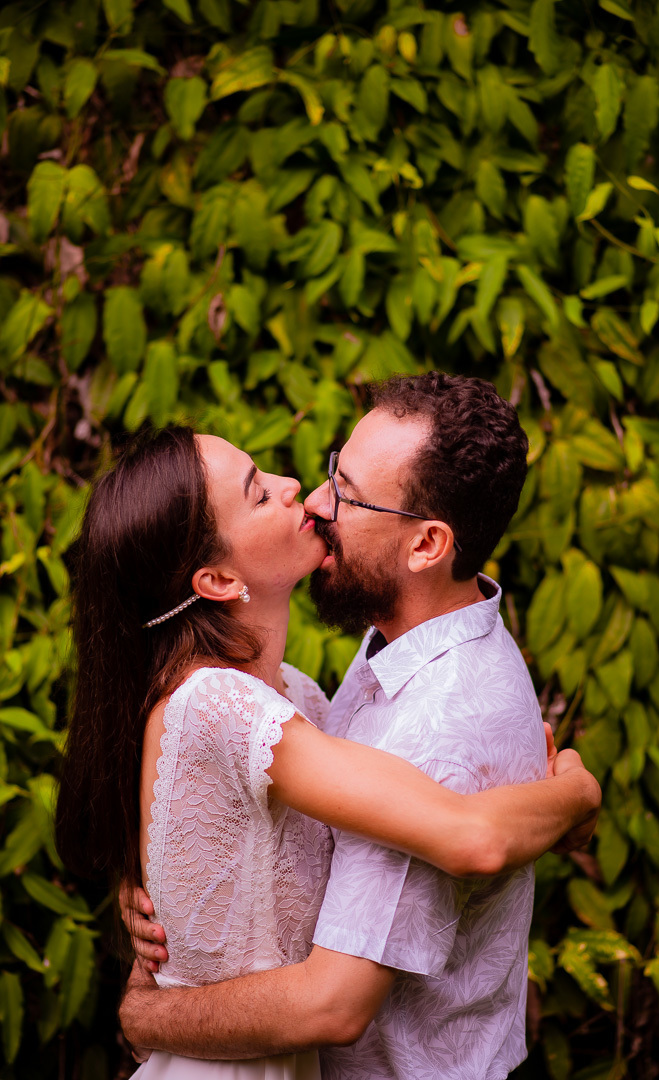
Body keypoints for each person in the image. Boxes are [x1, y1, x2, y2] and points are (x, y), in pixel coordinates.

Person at [117, 373, 601, 1080]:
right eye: (328, 475)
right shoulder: (393, 645)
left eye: (344, 492)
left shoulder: (432, 726)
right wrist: (189, 910)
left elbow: (332, 1008)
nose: (312, 501)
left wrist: (146, 1012)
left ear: (426, 546)